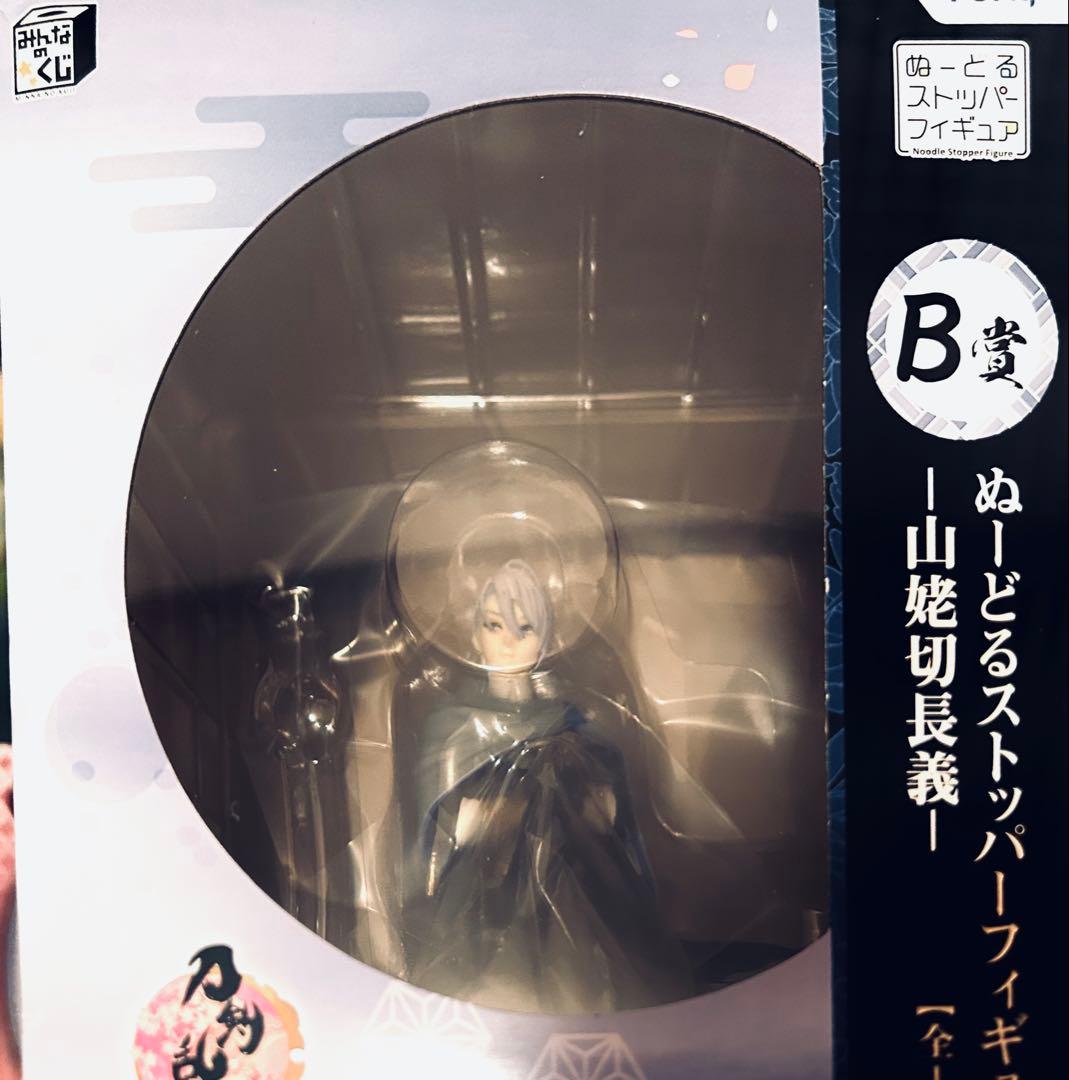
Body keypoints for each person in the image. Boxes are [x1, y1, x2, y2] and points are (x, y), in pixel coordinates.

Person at [395, 559, 692, 1013]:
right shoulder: (452, 727)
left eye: (525, 628)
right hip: (483, 902)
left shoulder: (574, 725)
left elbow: (610, 819)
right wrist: (506, 811)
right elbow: (440, 837)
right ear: (475, 635)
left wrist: (565, 793)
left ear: (547, 639)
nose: (508, 642)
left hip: (571, 898)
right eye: (494, 625)